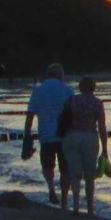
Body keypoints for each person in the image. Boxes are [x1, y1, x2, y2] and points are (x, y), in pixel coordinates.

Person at [22, 62, 76, 207]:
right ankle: (64, 199)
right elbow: (74, 114)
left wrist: (27, 135)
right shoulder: (67, 90)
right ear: (61, 75)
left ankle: (51, 189)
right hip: (64, 135)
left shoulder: (38, 90)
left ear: (48, 75)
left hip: (45, 135)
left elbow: (30, 115)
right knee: (65, 169)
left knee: (47, 165)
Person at [56, 76, 108, 219]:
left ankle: (76, 206)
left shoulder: (71, 100)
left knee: (75, 173)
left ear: (80, 88)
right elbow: (102, 126)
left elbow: (62, 119)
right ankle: (90, 208)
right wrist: (105, 149)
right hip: (90, 137)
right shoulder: (98, 103)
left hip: (72, 137)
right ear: (94, 88)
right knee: (90, 176)